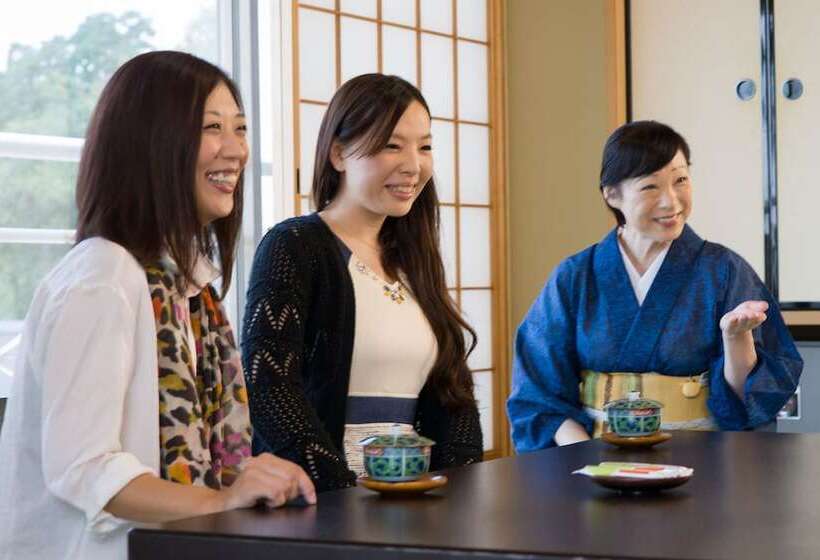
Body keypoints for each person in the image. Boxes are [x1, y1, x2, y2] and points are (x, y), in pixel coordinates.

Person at [0, 51, 315, 560]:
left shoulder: (189, 288)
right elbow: (83, 467)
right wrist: (222, 500)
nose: (236, 150)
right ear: (151, 143)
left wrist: (249, 485)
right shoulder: (102, 278)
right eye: (212, 127)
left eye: (240, 128)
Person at [241, 73, 483, 491]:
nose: (414, 165)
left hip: (413, 499)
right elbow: (270, 388)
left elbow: (452, 393)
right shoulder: (294, 246)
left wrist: (456, 485)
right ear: (338, 153)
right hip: (321, 503)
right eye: (392, 145)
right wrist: (341, 489)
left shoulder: (415, 258)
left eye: (424, 146)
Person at [508, 120, 803, 450]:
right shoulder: (575, 276)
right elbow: (538, 394)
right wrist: (585, 460)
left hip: (701, 464)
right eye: (651, 187)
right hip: (593, 461)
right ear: (612, 194)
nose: (671, 201)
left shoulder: (724, 271)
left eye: (680, 180)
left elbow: (748, 400)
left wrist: (736, 338)